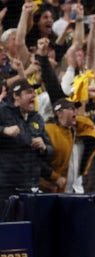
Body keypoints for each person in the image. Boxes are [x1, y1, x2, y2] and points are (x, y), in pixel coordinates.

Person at [0, 79, 52, 216]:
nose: (34, 96)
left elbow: (50, 151)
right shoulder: (3, 111)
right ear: (16, 96)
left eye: (34, 92)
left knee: (29, 230)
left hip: (31, 186)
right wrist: (3, 130)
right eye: (29, 92)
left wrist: (44, 147)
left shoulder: (37, 118)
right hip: (6, 187)